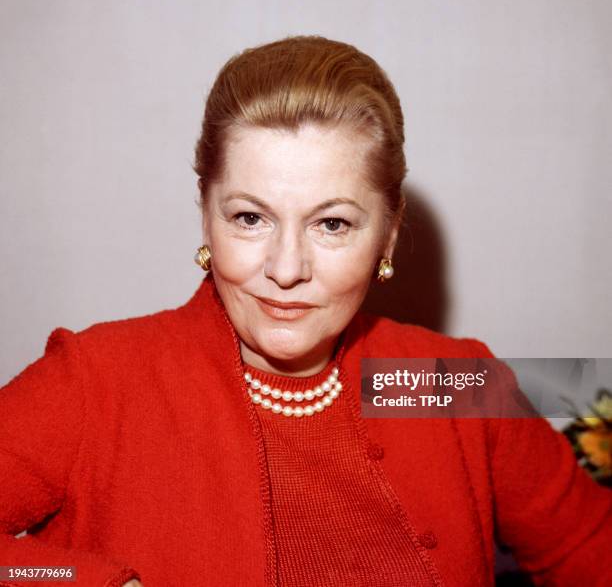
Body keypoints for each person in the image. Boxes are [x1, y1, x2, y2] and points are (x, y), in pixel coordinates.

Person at [1, 35, 610, 587]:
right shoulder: (98, 382)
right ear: (205, 214)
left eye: (332, 223)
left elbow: (590, 546)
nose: (286, 269)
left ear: (388, 238)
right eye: (249, 217)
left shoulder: (444, 384)